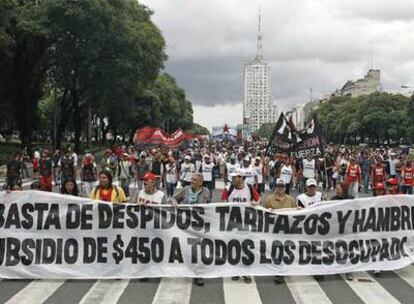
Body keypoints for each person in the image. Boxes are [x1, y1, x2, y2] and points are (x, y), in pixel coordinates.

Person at [221, 169, 260, 284]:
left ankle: (247, 272)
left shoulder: (249, 187)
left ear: (242, 178)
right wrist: (225, 205)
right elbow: (223, 200)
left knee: (246, 247)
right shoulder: (228, 188)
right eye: (232, 177)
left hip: (246, 222)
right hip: (232, 223)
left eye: (235, 177)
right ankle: (236, 271)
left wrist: (256, 203)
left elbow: (258, 199)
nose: (233, 179)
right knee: (234, 247)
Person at [174, 172, 211, 287]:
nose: (191, 181)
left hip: (198, 225)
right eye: (191, 179)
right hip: (185, 224)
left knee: (196, 249)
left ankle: (197, 275)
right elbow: (174, 198)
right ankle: (184, 263)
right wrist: (174, 203)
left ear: (200, 182)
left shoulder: (206, 192)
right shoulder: (185, 189)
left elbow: (210, 207)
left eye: (194, 180)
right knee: (182, 246)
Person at [262, 178, 296, 284]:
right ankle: (279, 272)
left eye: (282, 186)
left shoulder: (291, 200)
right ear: (276, 188)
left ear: (285, 188)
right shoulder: (269, 199)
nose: (280, 188)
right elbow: (262, 212)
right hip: (275, 230)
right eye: (278, 186)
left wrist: (299, 210)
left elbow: (295, 213)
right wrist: (268, 211)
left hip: (287, 229)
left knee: (286, 250)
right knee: (277, 251)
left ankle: (282, 271)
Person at [297, 178, 325, 280]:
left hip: (319, 225)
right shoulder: (301, 198)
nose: (312, 188)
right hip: (307, 226)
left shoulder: (320, 195)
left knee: (317, 248)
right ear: (306, 187)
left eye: (313, 186)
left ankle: (317, 270)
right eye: (310, 187)